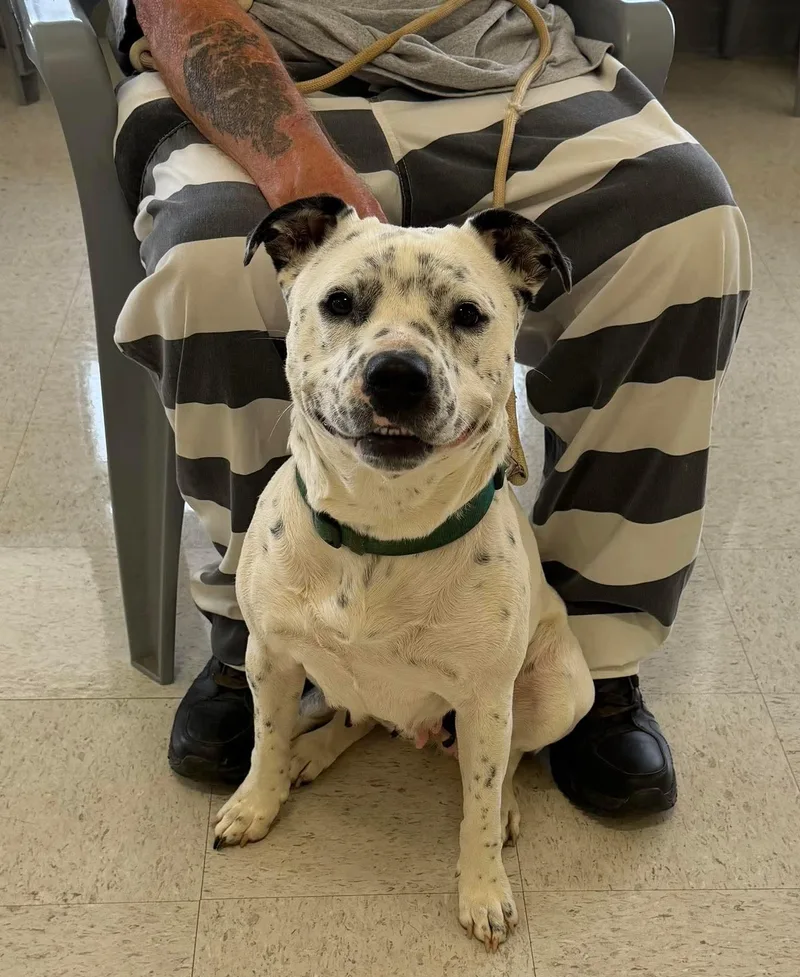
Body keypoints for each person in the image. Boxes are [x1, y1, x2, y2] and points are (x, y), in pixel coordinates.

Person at [109, 0, 750, 815]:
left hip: (506, 72)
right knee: (209, 264)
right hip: (264, 72)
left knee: (688, 230)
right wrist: (303, 173)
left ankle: (590, 647)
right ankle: (262, 627)